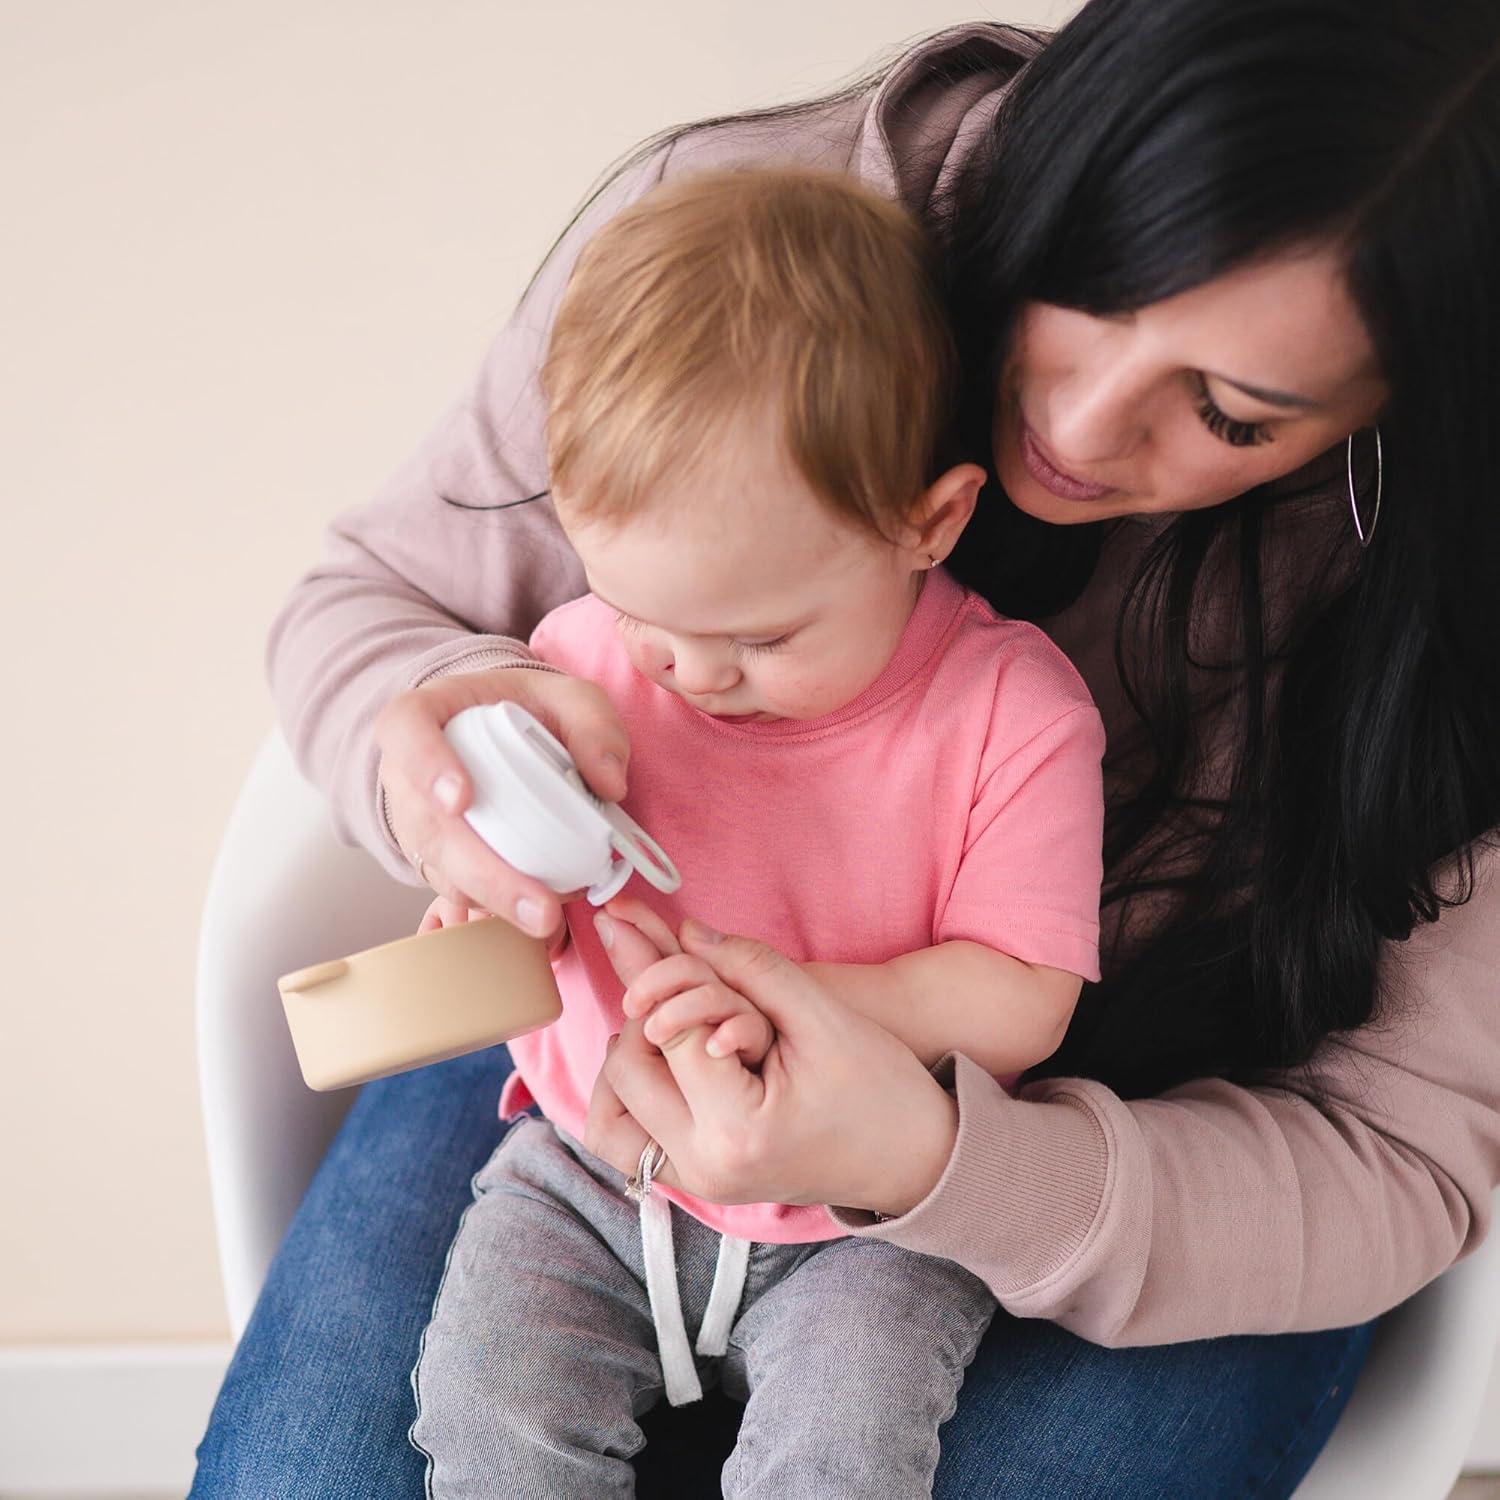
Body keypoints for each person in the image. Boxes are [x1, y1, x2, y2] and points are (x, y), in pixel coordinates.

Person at [192, 2, 1500, 1495]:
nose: (1074, 423)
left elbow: (1394, 1152)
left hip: (1131, 1154)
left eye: (1226, 412)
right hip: (592, 1085)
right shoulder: (716, 270)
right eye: (1095, 277)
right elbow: (380, 602)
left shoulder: (1398, 606)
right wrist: (446, 777)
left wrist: (927, 1157)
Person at [406, 166, 1105, 1494]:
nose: (680, 674)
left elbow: (1023, 1003)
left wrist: (803, 1005)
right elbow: (528, 896)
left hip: (869, 1220)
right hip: (592, 1174)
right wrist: (484, 911)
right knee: (488, 1430)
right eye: (638, 611)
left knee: (842, 1464)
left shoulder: (1012, 713)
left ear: (929, 522)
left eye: (757, 637)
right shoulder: (587, 665)